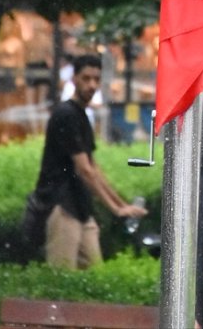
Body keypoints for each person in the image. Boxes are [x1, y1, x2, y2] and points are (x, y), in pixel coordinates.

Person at [33, 52, 146, 269]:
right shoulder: (66, 114)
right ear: (73, 79)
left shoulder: (81, 115)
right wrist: (116, 209)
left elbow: (93, 168)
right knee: (62, 277)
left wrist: (122, 205)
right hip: (62, 205)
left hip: (80, 207)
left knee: (94, 274)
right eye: (86, 78)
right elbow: (84, 169)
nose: (92, 85)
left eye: (96, 79)